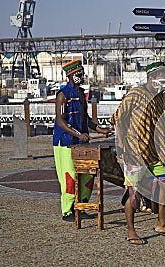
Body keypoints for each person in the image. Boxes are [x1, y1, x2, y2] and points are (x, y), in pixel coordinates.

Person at [112, 62, 165, 245]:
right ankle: (131, 231)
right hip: (135, 152)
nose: (163, 84)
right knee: (133, 192)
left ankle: (162, 223)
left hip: (154, 153)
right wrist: (121, 145)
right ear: (151, 78)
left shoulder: (159, 98)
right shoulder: (135, 94)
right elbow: (118, 117)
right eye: (161, 80)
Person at [53, 59, 112, 222]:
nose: (82, 76)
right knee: (70, 176)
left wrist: (101, 130)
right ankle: (67, 211)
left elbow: (85, 119)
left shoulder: (80, 94)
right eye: (79, 74)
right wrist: (78, 134)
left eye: (82, 73)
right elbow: (61, 121)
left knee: (88, 175)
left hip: (81, 142)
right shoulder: (63, 95)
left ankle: (82, 205)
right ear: (71, 75)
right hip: (65, 142)